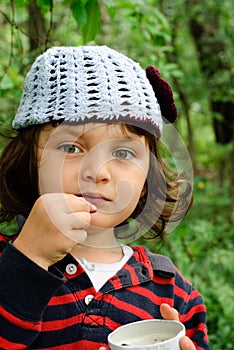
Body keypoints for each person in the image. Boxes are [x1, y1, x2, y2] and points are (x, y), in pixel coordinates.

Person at [0, 46, 209, 350]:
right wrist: (30, 259)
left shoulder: (175, 293)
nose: (97, 172)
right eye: (72, 147)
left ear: (148, 178)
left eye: (123, 153)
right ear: (29, 160)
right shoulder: (7, 260)